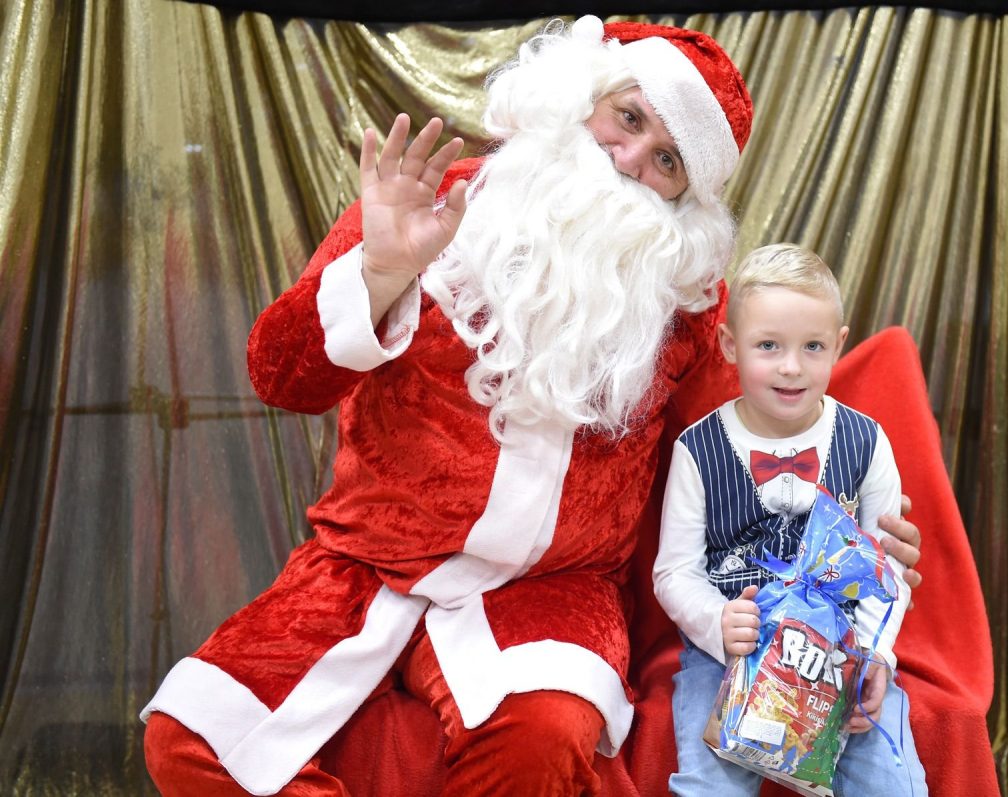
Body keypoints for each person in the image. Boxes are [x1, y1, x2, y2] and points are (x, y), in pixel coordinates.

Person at [140, 16, 924, 797]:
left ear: (688, 196)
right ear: (579, 96)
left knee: (542, 738)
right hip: (362, 564)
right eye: (628, 117)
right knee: (188, 738)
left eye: (668, 161)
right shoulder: (430, 211)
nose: (628, 161)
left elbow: (741, 451)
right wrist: (379, 272)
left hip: (552, 592)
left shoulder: (685, 302)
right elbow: (280, 376)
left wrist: (854, 532)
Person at [653, 244, 928, 796]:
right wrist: (717, 621)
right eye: (768, 345)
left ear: (838, 346)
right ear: (729, 345)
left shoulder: (866, 441)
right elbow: (674, 572)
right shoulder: (697, 449)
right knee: (709, 787)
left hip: (839, 649)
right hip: (731, 652)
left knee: (893, 785)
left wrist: (873, 654)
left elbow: (887, 568)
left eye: (812, 347)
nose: (791, 366)